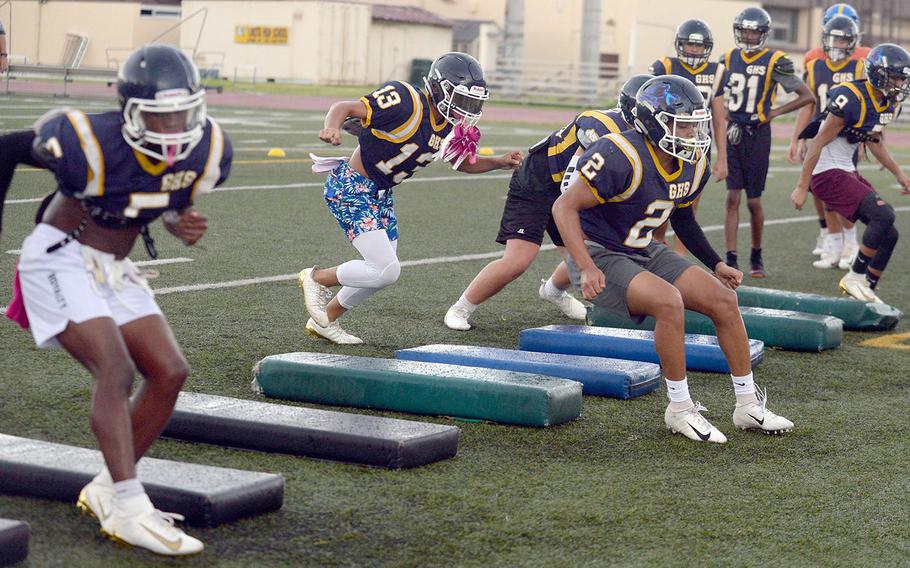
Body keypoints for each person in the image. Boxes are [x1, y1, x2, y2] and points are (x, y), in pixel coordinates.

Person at [8, 44, 232, 555]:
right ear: (130, 111)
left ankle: (109, 487)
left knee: (170, 371)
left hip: (114, 266)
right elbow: (11, 147)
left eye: (182, 112)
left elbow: (159, 201)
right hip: (59, 256)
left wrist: (179, 222)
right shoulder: (89, 140)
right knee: (115, 369)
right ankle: (129, 503)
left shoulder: (206, 148)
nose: (174, 125)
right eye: (160, 114)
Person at [553, 75, 793, 443]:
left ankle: (747, 405)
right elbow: (563, 206)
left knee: (724, 300)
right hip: (600, 249)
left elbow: (681, 216)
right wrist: (585, 266)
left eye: (696, 125)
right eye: (683, 124)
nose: (693, 133)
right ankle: (679, 408)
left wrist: (715, 263)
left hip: (642, 247)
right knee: (669, 302)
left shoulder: (692, 160)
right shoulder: (619, 153)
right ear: (653, 121)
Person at [299, 52, 522, 344]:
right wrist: (332, 126)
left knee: (379, 270)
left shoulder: (447, 123)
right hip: (352, 187)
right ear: (441, 88)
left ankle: (325, 320)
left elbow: (462, 162)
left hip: (380, 194)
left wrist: (498, 162)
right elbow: (344, 107)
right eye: (462, 99)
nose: (466, 109)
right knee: (386, 270)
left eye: (472, 102)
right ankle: (317, 278)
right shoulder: (406, 100)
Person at [443, 75, 652, 331]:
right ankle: (461, 307)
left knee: (589, 251)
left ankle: (552, 290)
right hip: (539, 180)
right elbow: (571, 182)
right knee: (518, 260)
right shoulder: (603, 123)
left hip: (571, 191)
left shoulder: (643, 138)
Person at [790, 44, 910, 304]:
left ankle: (867, 288)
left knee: (889, 231)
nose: (901, 83)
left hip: (845, 169)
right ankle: (855, 276)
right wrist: (802, 185)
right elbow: (819, 142)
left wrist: (899, 174)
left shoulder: (888, 103)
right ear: (880, 74)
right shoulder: (852, 97)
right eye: (897, 77)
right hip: (826, 172)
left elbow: (874, 140)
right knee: (884, 214)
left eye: (903, 78)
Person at [720, 7, 814, 277]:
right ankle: (731, 257)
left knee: (753, 201)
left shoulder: (775, 60)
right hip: (733, 132)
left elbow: (806, 96)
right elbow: (716, 95)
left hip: (758, 135)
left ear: (762, 33)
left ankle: (756, 253)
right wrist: (722, 113)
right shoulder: (727, 57)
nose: (749, 36)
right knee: (731, 197)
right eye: (745, 31)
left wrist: (774, 112)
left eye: (754, 31)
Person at [789, 15, 865, 268]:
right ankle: (834, 244)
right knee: (821, 192)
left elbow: (867, 106)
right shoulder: (815, 66)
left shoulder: (858, 68)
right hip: (820, 136)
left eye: (844, 39)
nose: (839, 44)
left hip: (845, 138)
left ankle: (851, 243)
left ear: (852, 42)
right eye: (835, 38)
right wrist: (798, 138)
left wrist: (864, 140)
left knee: (842, 193)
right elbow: (808, 106)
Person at [649, 18, 729, 253]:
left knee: (690, 203)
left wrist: (722, 157)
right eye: (689, 44)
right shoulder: (665, 66)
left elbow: (719, 117)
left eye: (699, 46)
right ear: (679, 45)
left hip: (698, 143)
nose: (694, 50)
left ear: (708, 48)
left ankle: (680, 256)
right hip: (666, 142)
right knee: (662, 198)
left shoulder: (717, 71)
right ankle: (656, 245)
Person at [803, 4, 871, 67]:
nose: (837, 45)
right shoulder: (813, 57)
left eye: (842, 41)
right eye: (834, 39)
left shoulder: (866, 56)